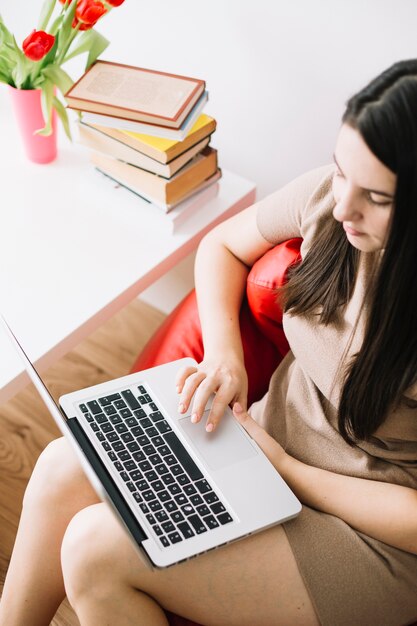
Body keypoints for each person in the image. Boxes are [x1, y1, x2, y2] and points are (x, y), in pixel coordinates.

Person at [1, 58, 416, 626]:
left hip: (368, 534)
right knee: (60, 465)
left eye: (379, 197)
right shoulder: (329, 200)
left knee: (95, 550)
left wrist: (287, 471)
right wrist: (226, 355)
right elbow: (221, 246)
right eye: (343, 170)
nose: (344, 205)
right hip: (264, 452)